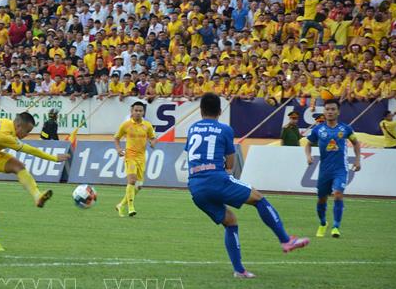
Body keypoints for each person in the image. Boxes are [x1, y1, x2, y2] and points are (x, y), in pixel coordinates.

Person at [186, 93, 310, 278]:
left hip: (195, 186)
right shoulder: (225, 129)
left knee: (230, 221)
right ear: (220, 111)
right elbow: (230, 163)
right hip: (216, 178)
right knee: (258, 199)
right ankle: (286, 240)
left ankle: (239, 270)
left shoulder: (192, 128)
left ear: (201, 110)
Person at [0, 112, 71, 251]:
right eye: (27, 131)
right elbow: (29, 150)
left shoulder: (5, 122)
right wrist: (54, 158)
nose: (26, 135)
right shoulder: (4, 136)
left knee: (19, 166)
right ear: (18, 126)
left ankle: (37, 196)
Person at [305, 99, 361, 238]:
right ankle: (323, 223)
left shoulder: (345, 129)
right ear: (324, 111)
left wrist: (358, 160)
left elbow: (356, 143)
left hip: (340, 169)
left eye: (333, 109)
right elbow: (308, 144)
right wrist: (308, 156)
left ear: (338, 112)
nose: (330, 112)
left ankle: (336, 227)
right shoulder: (318, 129)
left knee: (338, 194)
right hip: (325, 170)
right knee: (321, 199)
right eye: (327, 109)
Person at [113, 101, 157, 217]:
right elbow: (116, 138)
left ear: (143, 112)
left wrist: (153, 143)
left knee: (139, 186)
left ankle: (121, 205)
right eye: (136, 110)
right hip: (130, 155)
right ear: (131, 111)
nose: (138, 113)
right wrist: (118, 149)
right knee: (132, 180)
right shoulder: (126, 125)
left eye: (140, 111)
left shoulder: (147, 125)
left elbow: (153, 138)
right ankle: (131, 208)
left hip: (141, 157)